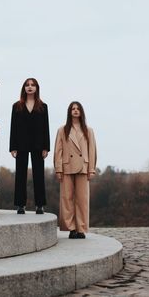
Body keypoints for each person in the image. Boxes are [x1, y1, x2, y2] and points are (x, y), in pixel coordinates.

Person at [54, 101, 96, 239]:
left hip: (83, 167)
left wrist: (91, 169)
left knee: (82, 199)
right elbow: (58, 151)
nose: (76, 111)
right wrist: (58, 169)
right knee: (67, 198)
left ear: (81, 112)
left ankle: (81, 229)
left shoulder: (88, 130)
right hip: (67, 167)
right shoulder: (62, 130)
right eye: (73, 109)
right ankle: (71, 228)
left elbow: (92, 150)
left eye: (78, 109)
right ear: (69, 112)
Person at [9, 78, 50, 214]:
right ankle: (20, 205)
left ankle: (40, 205)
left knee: (39, 175)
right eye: (27, 85)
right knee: (20, 174)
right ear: (24, 88)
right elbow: (13, 127)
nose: (30, 87)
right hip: (21, 144)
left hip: (38, 145)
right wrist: (12, 147)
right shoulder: (16, 106)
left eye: (33, 85)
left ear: (37, 88)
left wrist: (46, 147)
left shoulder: (43, 107)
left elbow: (46, 128)